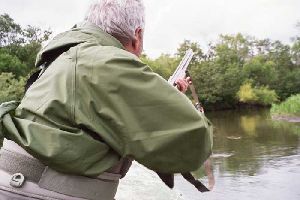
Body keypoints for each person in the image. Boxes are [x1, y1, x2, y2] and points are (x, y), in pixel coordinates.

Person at [0, 0, 213, 199]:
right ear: (137, 35)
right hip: (37, 191)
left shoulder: (66, 56)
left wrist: (169, 94)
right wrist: (179, 102)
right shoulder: (104, 63)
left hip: (20, 184)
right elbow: (195, 140)